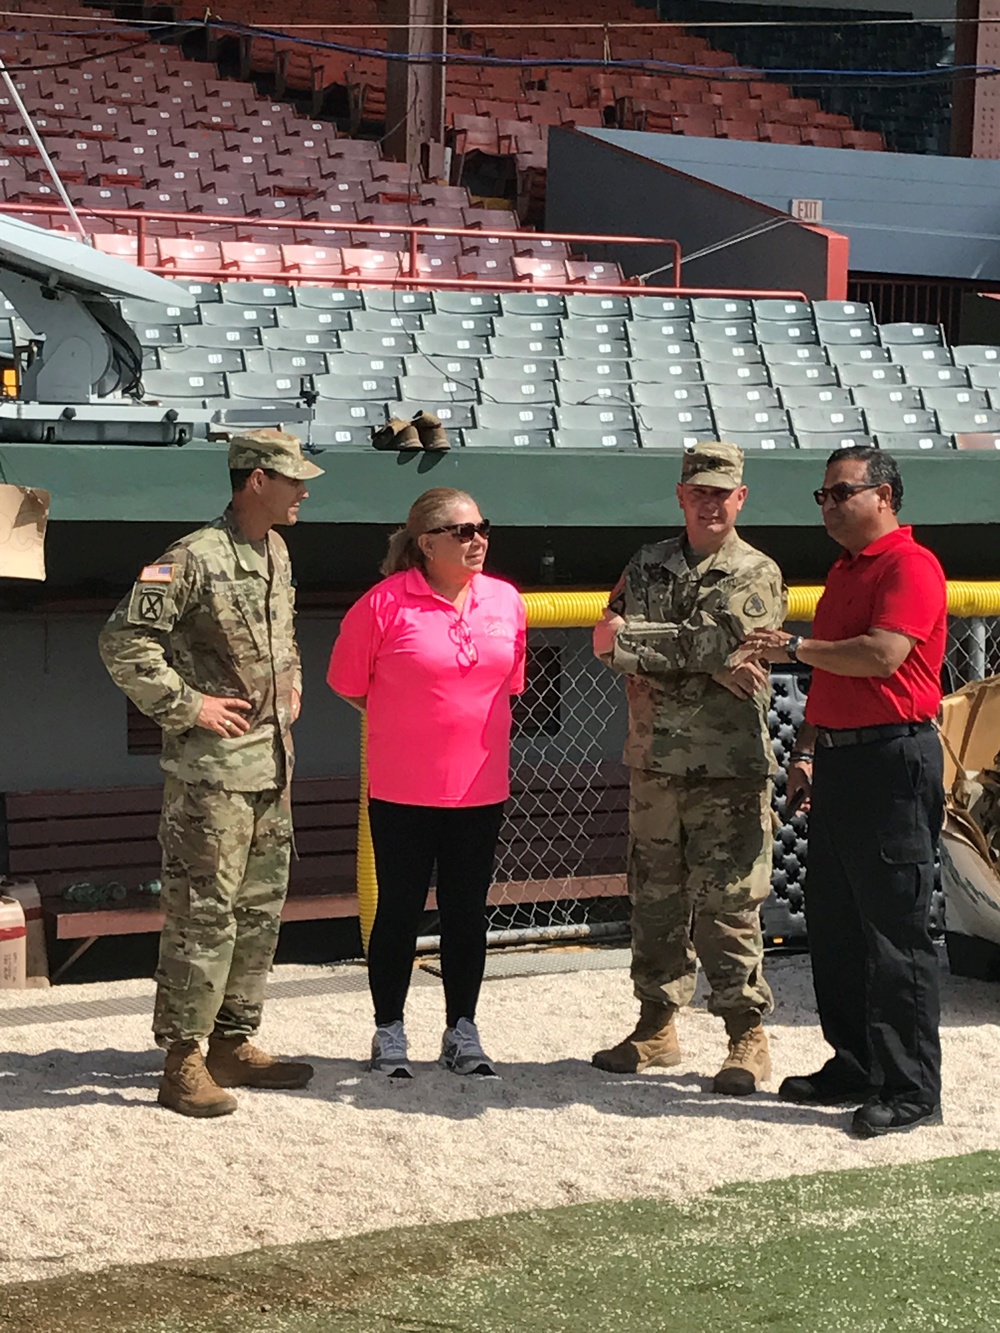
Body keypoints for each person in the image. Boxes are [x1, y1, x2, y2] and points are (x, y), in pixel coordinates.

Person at [98, 429, 321, 1118]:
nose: (303, 491)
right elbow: (123, 641)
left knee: (257, 911)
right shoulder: (190, 557)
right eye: (293, 479)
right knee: (203, 915)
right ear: (256, 480)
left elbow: (283, 638)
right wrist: (190, 705)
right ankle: (183, 1060)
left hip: (270, 768)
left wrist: (292, 682)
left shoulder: (276, 552)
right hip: (212, 778)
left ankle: (231, 1040)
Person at [743, 445, 947, 1138]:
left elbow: (883, 654)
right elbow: (834, 679)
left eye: (841, 492)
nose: (827, 505)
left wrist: (793, 648)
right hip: (842, 760)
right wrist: (806, 750)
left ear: (883, 496)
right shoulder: (846, 568)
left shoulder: (909, 564)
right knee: (836, 925)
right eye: (822, 495)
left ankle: (912, 1088)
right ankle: (857, 1062)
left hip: (893, 759)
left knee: (895, 932)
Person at [592, 442, 786, 1095]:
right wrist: (707, 658)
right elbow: (607, 640)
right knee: (655, 896)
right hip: (656, 762)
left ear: (741, 498)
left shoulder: (756, 570)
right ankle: (656, 1025)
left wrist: (645, 644)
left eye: (721, 493)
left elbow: (734, 641)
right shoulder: (647, 563)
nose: (709, 503)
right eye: (698, 491)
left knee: (729, 903)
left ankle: (745, 1035)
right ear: (681, 495)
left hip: (729, 768)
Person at [327, 487, 526, 1080]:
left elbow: (509, 684)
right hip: (402, 789)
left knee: (467, 912)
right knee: (399, 910)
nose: (478, 540)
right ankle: (389, 1030)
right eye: (463, 531)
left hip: (480, 787)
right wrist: (408, 720)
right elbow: (347, 684)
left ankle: (462, 1030)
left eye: (483, 527)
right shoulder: (382, 604)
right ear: (426, 543)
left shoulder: (506, 600)